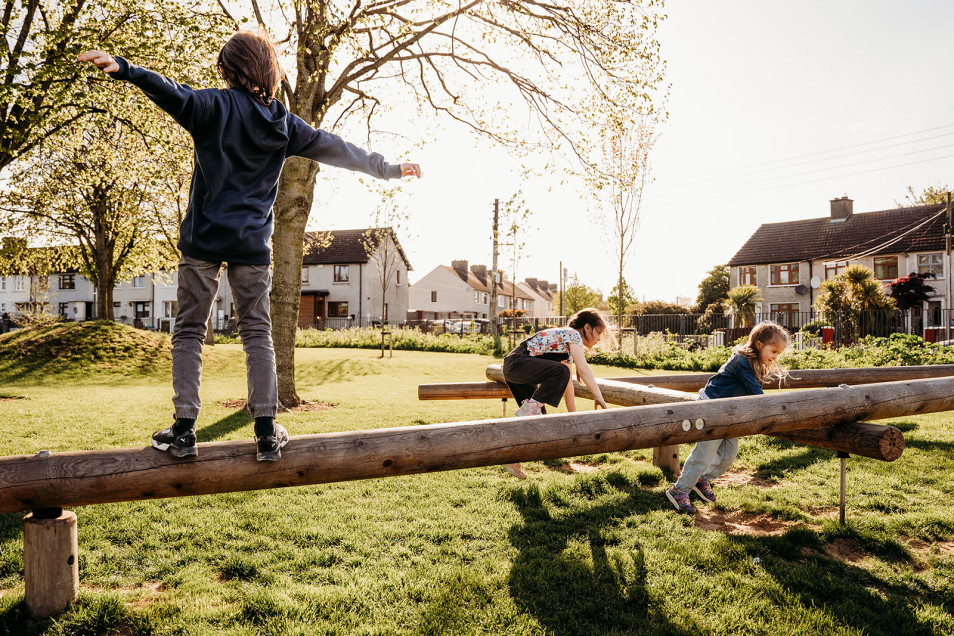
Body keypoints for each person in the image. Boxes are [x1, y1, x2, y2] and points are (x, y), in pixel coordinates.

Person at [78, 31, 422, 462]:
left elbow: (171, 92)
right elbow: (336, 148)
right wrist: (387, 168)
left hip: (202, 240)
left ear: (229, 71)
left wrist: (126, 69)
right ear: (268, 72)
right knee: (257, 334)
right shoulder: (283, 124)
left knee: (188, 331)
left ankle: (184, 431)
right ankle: (264, 431)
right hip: (252, 246)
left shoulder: (212, 106)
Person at [665, 320, 790, 514]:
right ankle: (679, 490)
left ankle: (701, 479)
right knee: (704, 453)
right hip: (711, 408)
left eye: (778, 354)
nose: (775, 357)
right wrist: (774, 409)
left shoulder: (754, 363)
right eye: (773, 351)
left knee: (728, 453)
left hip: (728, 411)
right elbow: (755, 394)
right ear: (759, 345)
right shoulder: (742, 361)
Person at [501, 307, 610, 479]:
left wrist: (573, 417)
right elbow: (583, 369)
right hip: (518, 363)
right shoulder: (572, 334)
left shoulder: (566, 348)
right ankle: (527, 412)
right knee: (560, 374)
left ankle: (511, 457)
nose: (598, 339)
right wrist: (598, 396)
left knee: (539, 422)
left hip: (516, 369)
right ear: (587, 328)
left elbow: (568, 385)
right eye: (598, 333)